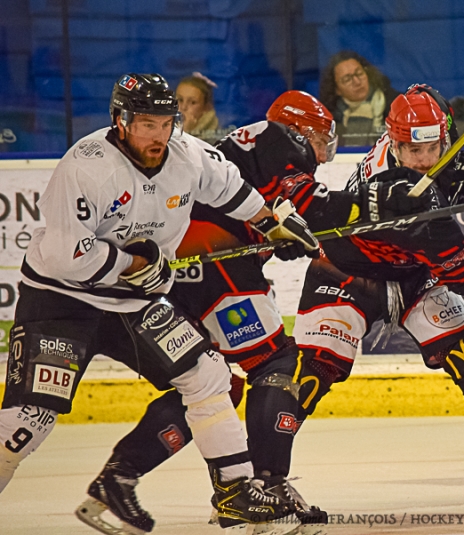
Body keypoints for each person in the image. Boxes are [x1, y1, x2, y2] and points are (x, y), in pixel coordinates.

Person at [73, 90, 435, 533]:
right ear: (299, 131)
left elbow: (273, 215)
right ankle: (264, 487)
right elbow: (314, 208)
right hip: (217, 265)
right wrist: (382, 205)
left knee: (214, 387)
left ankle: (121, 476)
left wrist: (279, 239)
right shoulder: (280, 139)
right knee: (275, 362)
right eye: (321, 139)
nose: (324, 152)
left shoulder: (253, 145)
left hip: (195, 267)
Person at [0, 73, 321, 533]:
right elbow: (64, 255)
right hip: (62, 302)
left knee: (208, 375)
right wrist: (133, 263)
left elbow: (229, 186)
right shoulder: (86, 166)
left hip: (134, 304)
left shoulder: (187, 155)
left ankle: (235, 493)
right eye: (146, 124)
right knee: (26, 423)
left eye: (166, 122)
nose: (158, 135)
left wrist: (271, 223)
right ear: (120, 120)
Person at [292, 84, 464, 513]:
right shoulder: (396, 190)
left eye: (433, 149)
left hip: (413, 273)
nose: (423, 162)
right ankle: (258, 477)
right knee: (312, 372)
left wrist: (448, 157)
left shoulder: (431, 148)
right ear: (393, 144)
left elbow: (430, 118)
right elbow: (459, 269)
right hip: (347, 274)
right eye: (412, 152)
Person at [319, 51, 400, 147]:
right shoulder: (328, 118)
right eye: (347, 79)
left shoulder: (396, 105)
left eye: (359, 73)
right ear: (337, 89)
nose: (357, 82)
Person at [176, 73, 233, 144]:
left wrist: (185, 131)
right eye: (180, 100)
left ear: (207, 107)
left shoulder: (218, 137)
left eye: (193, 102)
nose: (183, 107)